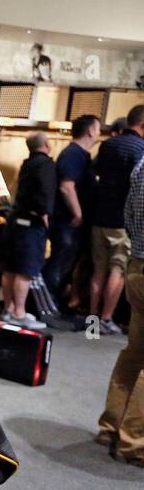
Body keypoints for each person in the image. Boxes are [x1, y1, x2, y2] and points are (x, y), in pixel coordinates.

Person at [97, 154, 144, 465]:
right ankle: (135, 443)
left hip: (138, 266)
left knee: (134, 353)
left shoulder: (141, 164)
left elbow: (128, 216)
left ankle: (110, 426)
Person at [89, 104, 144, 335]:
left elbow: (96, 173)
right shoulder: (141, 150)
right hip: (121, 221)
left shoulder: (107, 145)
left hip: (99, 216)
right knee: (118, 270)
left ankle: (91, 320)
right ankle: (106, 319)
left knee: (98, 270)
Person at [0, 133, 56, 328]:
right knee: (25, 270)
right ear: (47, 144)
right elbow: (45, 192)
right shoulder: (46, 165)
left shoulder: (26, 163)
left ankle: (8, 309)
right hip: (31, 224)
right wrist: (45, 214)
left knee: (10, 268)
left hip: (15, 220)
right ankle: (20, 312)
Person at [43, 115, 99, 304]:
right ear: (90, 131)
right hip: (66, 221)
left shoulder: (80, 155)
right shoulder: (74, 154)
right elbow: (67, 186)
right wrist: (78, 213)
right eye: (98, 129)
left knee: (64, 262)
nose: (99, 133)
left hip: (70, 221)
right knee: (59, 262)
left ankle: (53, 301)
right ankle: (47, 303)